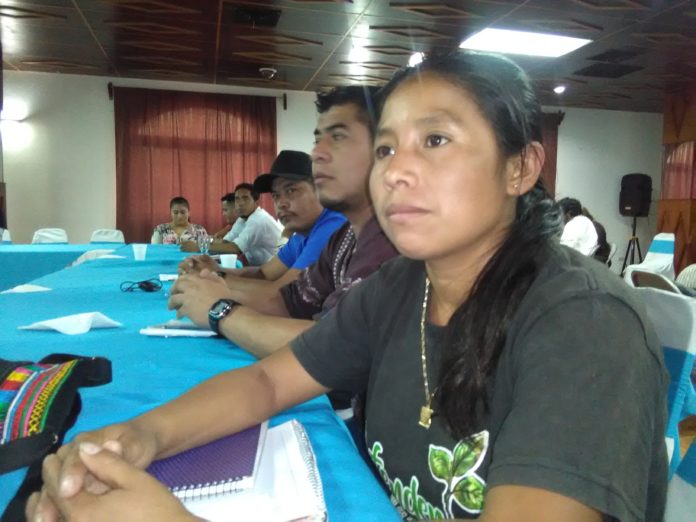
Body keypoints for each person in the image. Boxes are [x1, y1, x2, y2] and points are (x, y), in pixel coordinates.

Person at [28, 52, 667, 522]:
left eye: (436, 140)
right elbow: (268, 381)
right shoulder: (401, 286)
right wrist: (142, 437)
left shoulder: (584, 326)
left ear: (521, 166)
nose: (397, 173)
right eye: (387, 150)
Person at [167, 86, 398, 359]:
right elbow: (286, 300)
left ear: (385, 151)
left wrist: (220, 309)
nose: (318, 155)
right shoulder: (345, 235)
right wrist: (209, 284)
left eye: (338, 137)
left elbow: (333, 347)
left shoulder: (390, 241)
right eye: (317, 141)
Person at [180, 150, 346, 290]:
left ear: (321, 190)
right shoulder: (302, 234)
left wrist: (213, 280)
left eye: (291, 190)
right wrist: (216, 271)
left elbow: (281, 293)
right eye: (276, 195)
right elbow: (264, 274)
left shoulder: (332, 227)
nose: (281, 203)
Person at [209, 183, 282, 265]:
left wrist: (200, 247)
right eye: (237, 199)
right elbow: (226, 241)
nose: (240, 203)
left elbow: (236, 248)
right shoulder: (242, 218)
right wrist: (204, 242)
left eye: (245, 198)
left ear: (257, 202)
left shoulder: (258, 220)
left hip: (276, 271)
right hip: (259, 268)